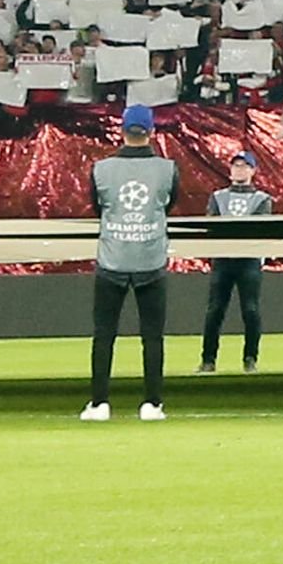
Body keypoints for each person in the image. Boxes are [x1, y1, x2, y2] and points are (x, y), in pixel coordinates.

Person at [82, 106, 180, 422]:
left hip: (112, 259)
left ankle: (99, 403)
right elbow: (170, 203)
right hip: (150, 259)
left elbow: (97, 206)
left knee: (104, 334)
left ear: (121, 130)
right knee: (152, 336)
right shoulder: (168, 168)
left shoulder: (101, 169)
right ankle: (152, 402)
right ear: (151, 132)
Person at [194, 150, 271, 376]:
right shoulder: (218, 197)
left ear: (253, 170)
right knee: (215, 310)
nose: (239, 169)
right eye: (236, 165)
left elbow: (262, 229)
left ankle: (250, 358)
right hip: (223, 259)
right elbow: (211, 226)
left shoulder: (262, 199)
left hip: (248, 261)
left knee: (251, 309)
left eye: (244, 166)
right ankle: (208, 360)